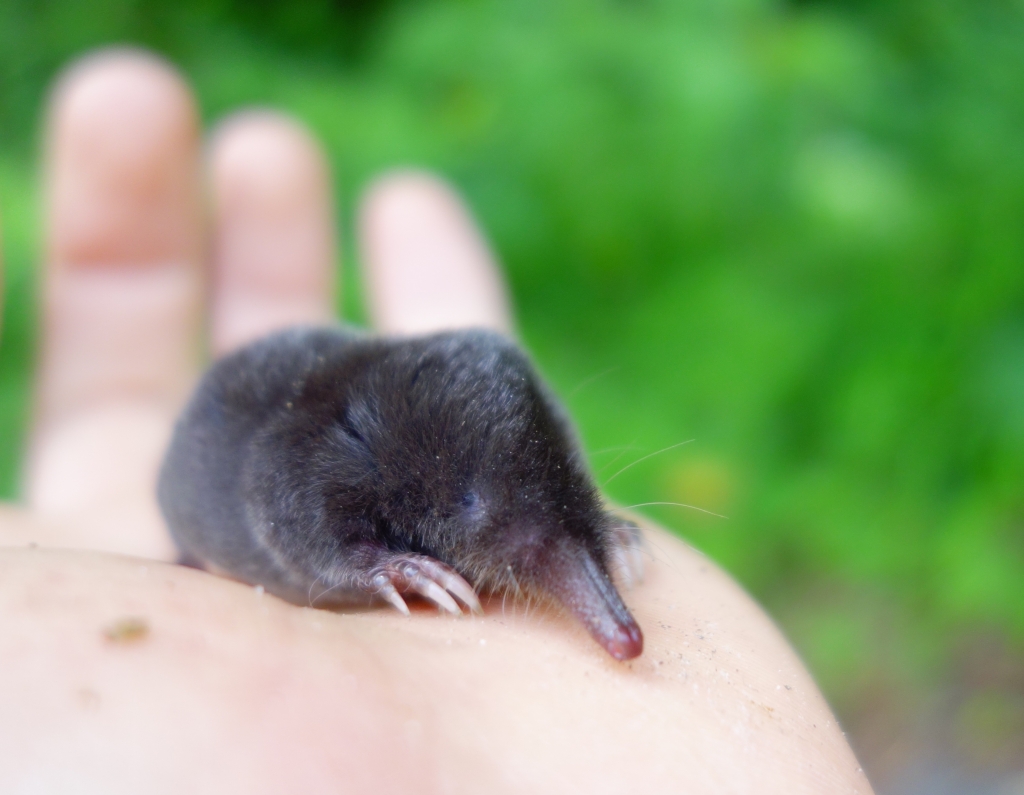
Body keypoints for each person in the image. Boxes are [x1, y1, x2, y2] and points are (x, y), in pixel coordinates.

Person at [0, 49, 872, 794]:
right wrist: (372, 561)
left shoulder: (466, 450)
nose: (617, 630)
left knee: (531, 505)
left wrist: (578, 523)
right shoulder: (320, 468)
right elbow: (277, 494)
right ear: (429, 489)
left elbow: (529, 483)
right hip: (213, 492)